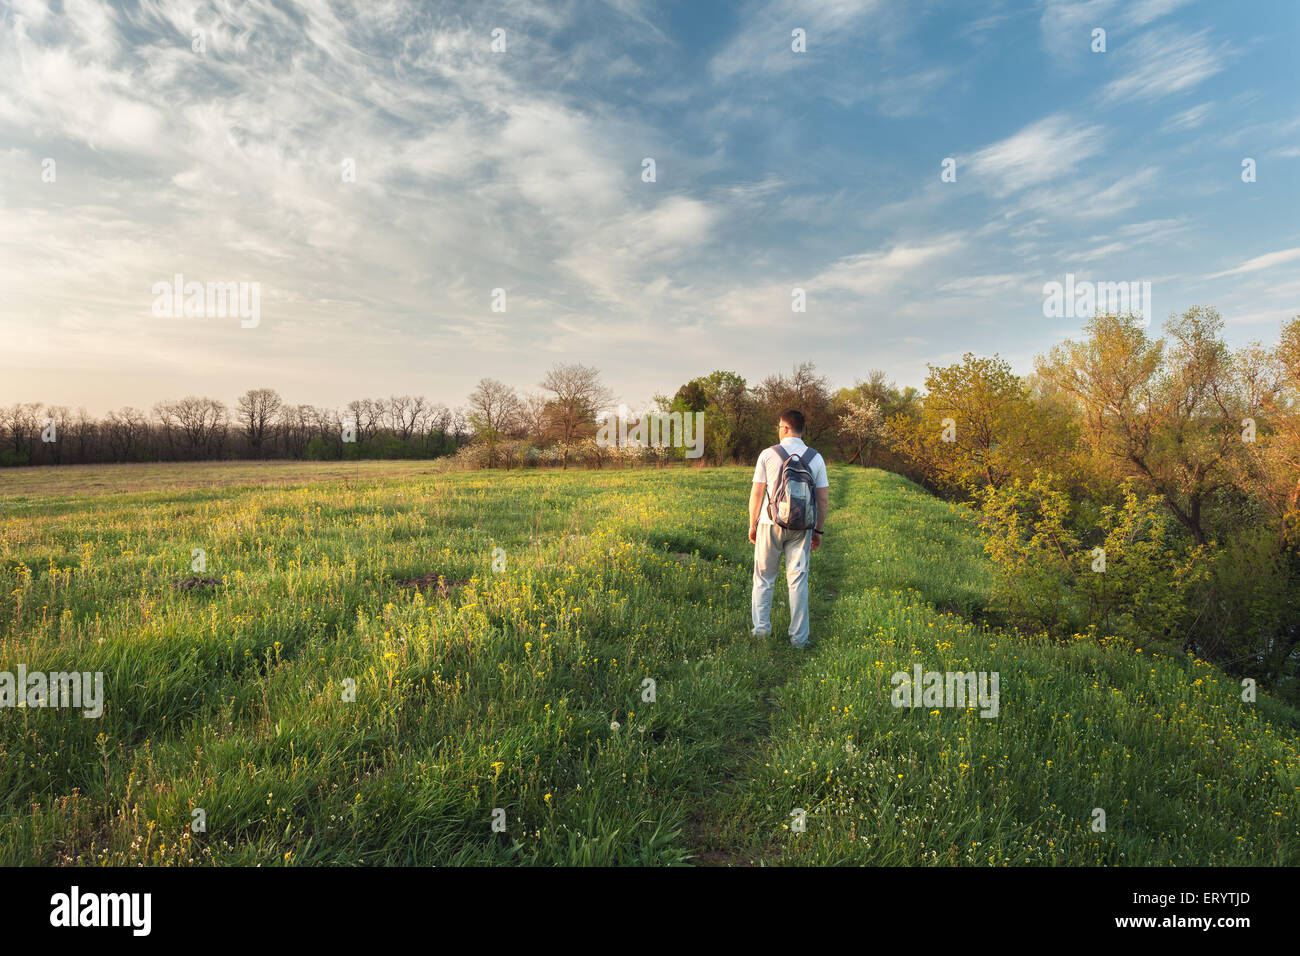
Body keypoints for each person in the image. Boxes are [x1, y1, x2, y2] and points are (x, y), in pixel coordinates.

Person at [748, 409, 829, 649]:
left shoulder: (768, 454)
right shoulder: (816, 458)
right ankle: (799, 639)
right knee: (798, 580)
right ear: (802, 430)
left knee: (764, 578)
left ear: (784, 427)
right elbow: (822, 500)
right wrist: (818, 531)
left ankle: (761, 631)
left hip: (769, 523)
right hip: (802, 526)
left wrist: (752, 524)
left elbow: (757, 492)